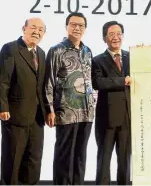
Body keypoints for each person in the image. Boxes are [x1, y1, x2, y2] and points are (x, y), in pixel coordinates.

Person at [45, 12, 95, 185]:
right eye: (73, 24)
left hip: (87, 112)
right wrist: (50, 109)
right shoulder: (57, 50)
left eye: (81, 25)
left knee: (81, 155)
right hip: (66, 110)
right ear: (66, 27)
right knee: (64, 155)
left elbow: (89, 80)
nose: (77, 28)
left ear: (85, 29)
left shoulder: (88, 51)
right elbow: (49, 81)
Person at [0, 18, 46, 184]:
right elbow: (2, 81)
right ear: (23, 29)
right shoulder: (10, 48)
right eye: (33, 27)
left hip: (37, 117)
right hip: (15, 115)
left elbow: (41, 86)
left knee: (34, 159)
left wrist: (47, 111)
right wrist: (2, 107)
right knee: (12, 160)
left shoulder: (41, 53)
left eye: (41, 29)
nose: (37, 32)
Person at [92, 21, 131, 185]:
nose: (116, 38)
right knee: (104, 159)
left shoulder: (132, 57)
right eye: (111, 34)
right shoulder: (97, 60)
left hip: (127, 118)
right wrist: (123, 80)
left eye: (119, 34)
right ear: (104, 38)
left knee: (125, 161)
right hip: (106, 118)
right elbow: (98, 83)